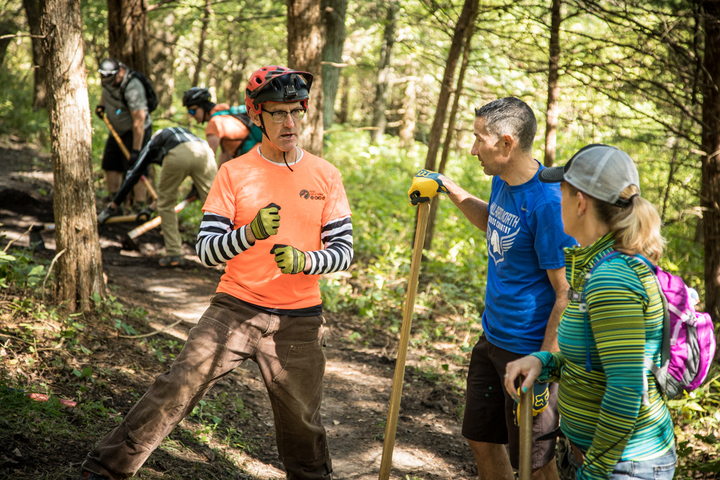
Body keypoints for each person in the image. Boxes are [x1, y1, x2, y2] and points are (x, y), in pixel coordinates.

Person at [80, 65, 353, 480]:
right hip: (236, 307)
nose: (289, 122)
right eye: (277, 113)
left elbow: (343, 251)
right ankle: (104, 470)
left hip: (299, 319)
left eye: (296, 111)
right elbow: (207, 250)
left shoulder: (325, 175)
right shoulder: (233, 173)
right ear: (256, 114)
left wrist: (306, 260)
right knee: (177, 386)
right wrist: (250, 233)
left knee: (303, 425)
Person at [407, 97, 575, 480]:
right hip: (493, 339)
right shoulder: (502, 179)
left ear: (506, 143)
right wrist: (447, 187)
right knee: (481, 440)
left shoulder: (548, 204)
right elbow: (495, 224)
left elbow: (565, 292)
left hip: (529, 351)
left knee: (534, 462)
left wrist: (545, 364)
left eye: (478, 139)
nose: (472, 148)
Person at [504, 144, 676, 480]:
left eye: (562, 192)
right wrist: (544, 361)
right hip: (598, 458)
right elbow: (592, 363)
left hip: (624, 467)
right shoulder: (596, 266)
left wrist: (593, 474)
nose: (557, 200)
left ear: (580, 202)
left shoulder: (612, 280)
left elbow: (626, 388)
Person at [97, 126, 217, 267]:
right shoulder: (183, 133)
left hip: (179, 154)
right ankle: (225, 250)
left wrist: (113, 205)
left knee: (166, 205)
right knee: (215, 202)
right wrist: (150, 209)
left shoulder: (152, 144)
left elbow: (134, 175)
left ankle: (174, 254)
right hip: (205, 152)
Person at [95, 58, 153, 206]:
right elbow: (106, 91)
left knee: (137, 169)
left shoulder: (133, 87)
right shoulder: (108, 80)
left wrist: (135, 150)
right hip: (116, 131)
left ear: (120, 73)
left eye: (110, 79)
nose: (107, 82)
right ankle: (114, 204)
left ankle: (139, 206)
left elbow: (139, 121)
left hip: (136, 133)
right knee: (110, 165)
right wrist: (102, 106)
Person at [182, 87, 261, 167]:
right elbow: (225, 154)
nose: (191, 115)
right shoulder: (225, 113)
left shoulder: (214, 123)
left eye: (192, 111)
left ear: (203, 107)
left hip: (253, 160)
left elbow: (209, 157)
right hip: (261, 154)